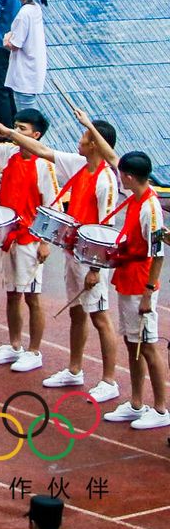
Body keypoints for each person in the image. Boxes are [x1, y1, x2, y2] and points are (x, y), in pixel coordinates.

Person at [106, 151, 167, 429]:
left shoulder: (150, 209)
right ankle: (136, 403)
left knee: (149, 346)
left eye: (122, 175)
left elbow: (159, 255)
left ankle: (161, 409)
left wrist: (148, 292)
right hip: (128, 280)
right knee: (133, 344)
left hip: (140, 284)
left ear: (129, 177)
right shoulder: (136, 198)